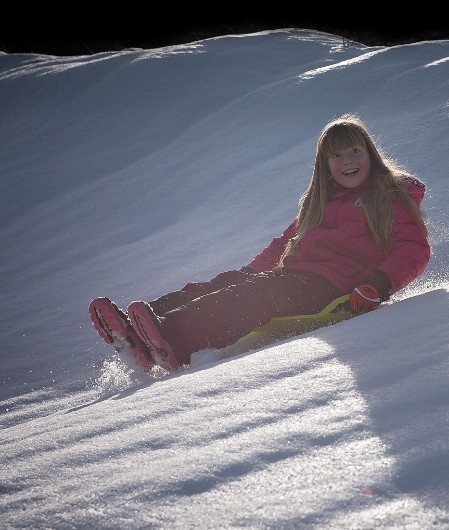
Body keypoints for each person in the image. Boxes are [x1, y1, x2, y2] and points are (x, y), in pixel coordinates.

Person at [90, 114, 430, 373]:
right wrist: (248, 271)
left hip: (335, 288)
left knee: (251, 296)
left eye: (355, 151)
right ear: (325, 166)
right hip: (296, 279)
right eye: (337, 155)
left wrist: (377, 284)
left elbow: (413, 249)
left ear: (370, 154)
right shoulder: (320, 201)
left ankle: (172, 339)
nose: (347, 161)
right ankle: (139, 329)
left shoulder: (389, 197)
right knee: (228, 283)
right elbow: (284, 243)